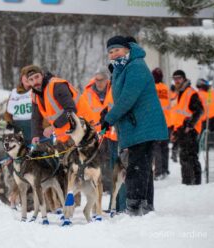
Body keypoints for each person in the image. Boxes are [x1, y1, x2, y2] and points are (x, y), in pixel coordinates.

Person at [102, 35, 168, 216]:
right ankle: (145, 207)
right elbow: (118, 98)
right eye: (110, 51)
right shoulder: (121, 68)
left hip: (143, 125)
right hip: (135, 125)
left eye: (117, 50)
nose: (113, 54)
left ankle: (133, 208)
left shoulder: (136, 66)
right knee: (142, 167)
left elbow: (127, 99)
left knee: (136, 167)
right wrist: (106, 115)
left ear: (127, 49)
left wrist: (109, 118)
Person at [81, 69, 126, 213]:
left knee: (115, 168)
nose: (98, 83)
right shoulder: (87, 93)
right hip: (95, 136)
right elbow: (82, 113)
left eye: (101, 80)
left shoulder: (114, 90)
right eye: (96, 80)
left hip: (113, 135)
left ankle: (118, 204)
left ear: (107, 80)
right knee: (99, 169)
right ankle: (101, 202)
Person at [27, 65, 93, 144]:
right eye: (31, 80)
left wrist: (53, 127)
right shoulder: (35, 95)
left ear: (42, 75)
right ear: (28, 83)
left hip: (83, 126)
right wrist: (35, 135)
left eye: (37, 77)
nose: (35, 81)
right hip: (64, 130)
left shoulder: (57, 85)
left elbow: (70, 110)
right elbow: (36, 117)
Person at [171, 70, 203, 185]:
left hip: (190, 130)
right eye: (174, 78)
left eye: (179, 78)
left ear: (184, 78)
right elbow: (178, 115)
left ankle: (193, 183)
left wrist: (190, 125)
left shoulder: (191, 92)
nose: (176, 81)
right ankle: (188, 182)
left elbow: (199, 110)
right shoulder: (179, 93)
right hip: (181, 130)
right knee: (184, 157)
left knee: (191, 157)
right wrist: (175, 131)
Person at [4, 66, 33, 144]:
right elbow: (8, 111)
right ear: (21, 78)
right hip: (18, 128)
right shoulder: (14, 92)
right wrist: (8, 122)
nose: (27, 78)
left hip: (34, 128)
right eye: (25, 76)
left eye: (29, 76)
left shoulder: (37, 91)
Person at [152, 68, 172, 180]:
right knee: (164, 147)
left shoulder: (151, 88)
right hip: (167, 123)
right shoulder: (166, 89)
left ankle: (158, 172)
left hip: (156, 123)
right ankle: (165, 170)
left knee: (156, 148)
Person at [196, 78, 214, 145]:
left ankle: (206, 146)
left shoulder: (201, 94)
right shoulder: (210, 92)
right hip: (213, 116)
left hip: (208, 117)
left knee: (205, 133)